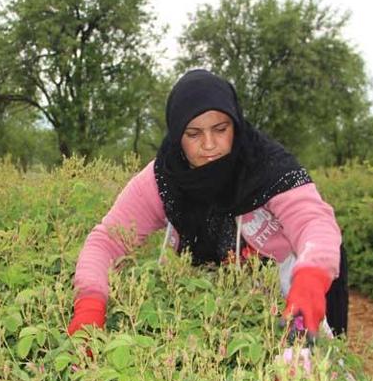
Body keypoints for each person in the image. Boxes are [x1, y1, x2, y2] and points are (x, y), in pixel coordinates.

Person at [68, 69, 348, 339]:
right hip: (216, 305)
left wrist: (309, 281)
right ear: (177, 135)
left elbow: (315, 223)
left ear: (235, 124)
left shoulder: (268, 165)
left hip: (293, 288)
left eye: (220, 129)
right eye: (193, 134)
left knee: (310, 376)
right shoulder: (163, 178)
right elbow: (106, 241)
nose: (210, 144)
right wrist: (90, 304)